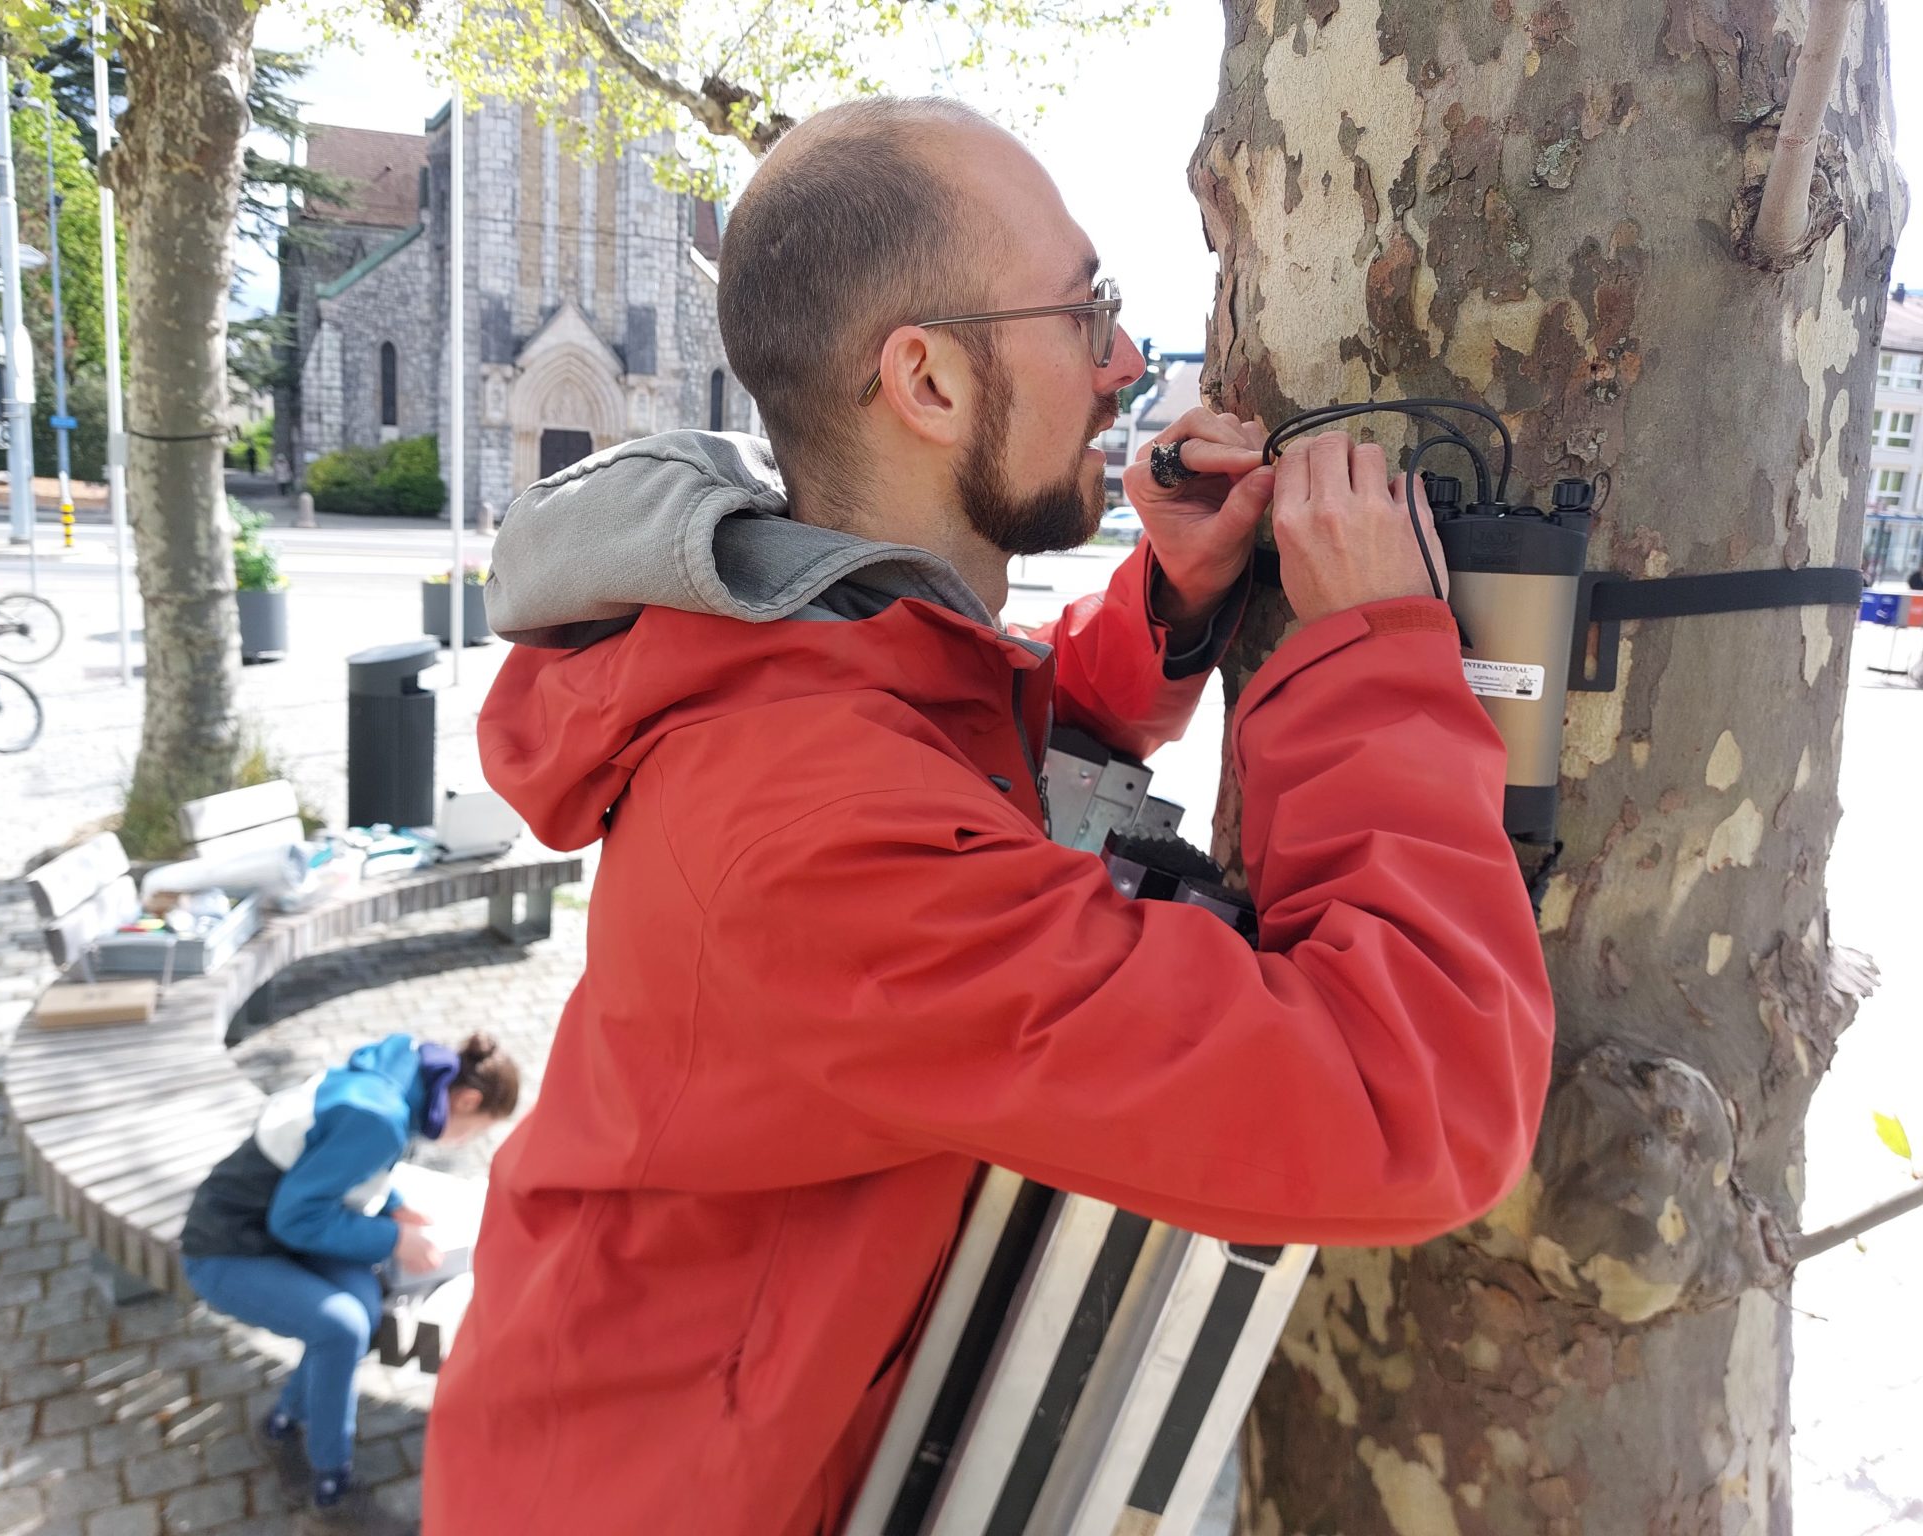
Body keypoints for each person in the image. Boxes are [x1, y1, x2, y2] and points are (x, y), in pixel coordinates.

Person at [425, 97, 1555, 1534]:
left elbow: (983, 730)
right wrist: (1380, 656)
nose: (1130, 363)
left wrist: (1168, 599)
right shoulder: (812, 828)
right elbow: (1417, 1107)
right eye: (1087, 314)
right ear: (931, 383)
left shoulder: (815, 648)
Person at [180, 1031, 519, 1532]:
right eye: (473, 1131)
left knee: (363, 1301)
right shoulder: (381, 1119)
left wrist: (394, 1200)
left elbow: (339, 1151)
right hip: (226, 1247)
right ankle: (331, 1486)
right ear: (466, 1100)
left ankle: (279, 1427)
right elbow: (296, 1218)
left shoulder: (404, 1069)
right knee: (339, 1327)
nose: (465, 1140)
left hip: (273, 1230)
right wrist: (394, 1240)